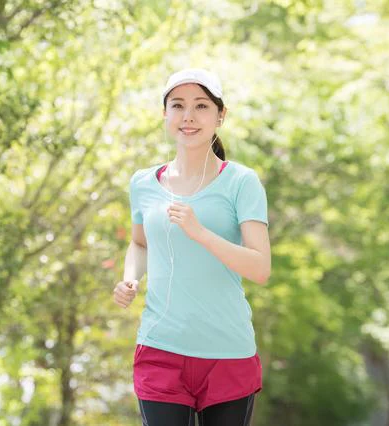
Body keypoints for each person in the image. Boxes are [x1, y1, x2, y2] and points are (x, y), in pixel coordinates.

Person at [113, 68, 271, 426]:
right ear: (165, 114)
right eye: (178, 105)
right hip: (160, 347)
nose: (188, 116)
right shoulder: (143, 183)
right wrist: (130, 279)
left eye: (201, 106)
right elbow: (140, 244)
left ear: (220, 116)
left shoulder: (241, 182)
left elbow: (260, 268)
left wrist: (200, 232)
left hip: (227, 353)